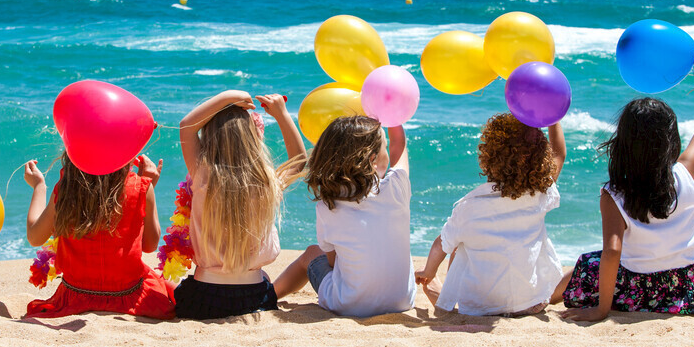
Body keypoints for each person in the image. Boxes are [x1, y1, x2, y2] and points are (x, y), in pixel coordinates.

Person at [555, 51, 694, 321]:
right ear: (671, 141)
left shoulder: (614, 194)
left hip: (637, 289)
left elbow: (613, 251)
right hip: (689, 290)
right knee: (594, 261)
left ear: (623, 144)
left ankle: (545, 297)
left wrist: (602, 310)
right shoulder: (687, 172)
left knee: (587, 264)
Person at [414, 115, 566, 316]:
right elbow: (559, 156)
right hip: (532, 304)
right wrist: (553, 119)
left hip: (478, 309)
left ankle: (444, 299)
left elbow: (440, 245)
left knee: (458, 244)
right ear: (540, 158)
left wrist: (428, 272)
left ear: (489, 157)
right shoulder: (539, 194)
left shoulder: (470, 207)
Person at [175, 90, 305, 320]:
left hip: (202, 299)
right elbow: (299, 162)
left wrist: (230, 96)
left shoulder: (203, 175)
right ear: (254, 138)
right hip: (256, 298)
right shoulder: (267, 182)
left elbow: (186, 126)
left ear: (210, 137)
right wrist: (282, 115)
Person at [273, 115, 415, 318]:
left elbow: (332, 262)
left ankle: (271, 293)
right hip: (402, 301)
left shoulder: (327, 206)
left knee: (311, 254)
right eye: (383, 145)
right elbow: (399, 145)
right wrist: (390, 111)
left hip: (348, 304)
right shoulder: (396, 187)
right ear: (373, 159)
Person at [22, 151, 175, 319]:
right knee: (170, 286)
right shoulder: (141, 186)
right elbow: (149, 245)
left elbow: (34, 237)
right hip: (128, 295)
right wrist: (146, 188)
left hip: (75, 296)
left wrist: (39, 187)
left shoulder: (66, 188)